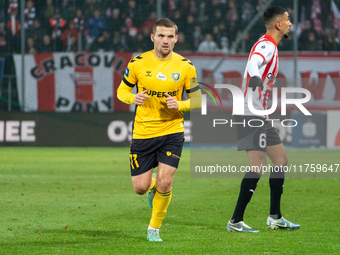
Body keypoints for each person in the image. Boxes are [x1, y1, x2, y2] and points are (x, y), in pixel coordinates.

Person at [117, 18, 201, 241]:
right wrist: (133, 97)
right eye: (161, 36)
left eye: (170, 36)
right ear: (153, 37)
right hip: (143, 132)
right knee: (140, 188)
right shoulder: (137, 63)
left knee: (166, 181)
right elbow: (121, 92)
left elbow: (198, 101)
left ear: (176, 38)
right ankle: (152, 185)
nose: (166, 40)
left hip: (172, 131)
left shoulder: (186, 66)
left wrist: (180, 104)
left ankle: (154, 228)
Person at [227, 6, 300, 233]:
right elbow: (252, 64)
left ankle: (275, 217)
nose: (290, 23)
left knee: (280, 160)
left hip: (258, 114)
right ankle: (235, 221)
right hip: (249, 113)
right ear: (278, 24)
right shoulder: (266, 44)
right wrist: (256, 77)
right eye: (287, 19)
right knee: (257, 167)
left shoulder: (268, 44)